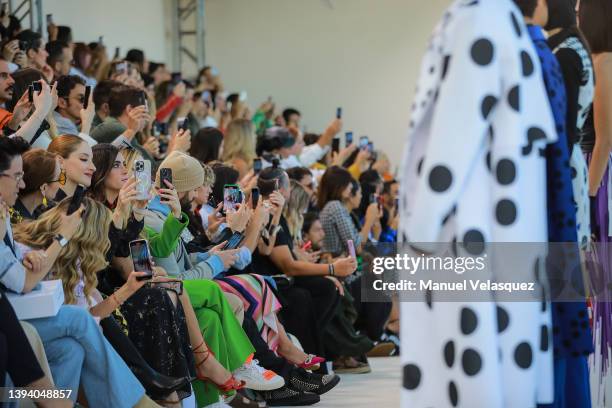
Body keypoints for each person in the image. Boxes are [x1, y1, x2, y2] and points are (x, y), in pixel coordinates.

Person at [0, 136, 161, 408]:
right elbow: (22, 283)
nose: (22, 183)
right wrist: (60, 239)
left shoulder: (5, 215)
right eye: (16, 176)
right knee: (79, 319)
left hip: (23, 315)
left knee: (70, 350)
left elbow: (19, 274)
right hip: (14, 319)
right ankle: (138, 403)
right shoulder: (48, 234)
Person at [579, 0, 612, 405]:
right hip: (599, 172)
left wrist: (586, 195)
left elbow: (603, 140)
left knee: (602, 280)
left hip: (599, 175)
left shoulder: (603, 61)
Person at [319, 166, 382, 256]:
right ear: (339, 186)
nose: (351, 186)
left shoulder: (334, 206)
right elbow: (356, 248)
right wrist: (369, 220)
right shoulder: (335, 207)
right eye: (348, 183)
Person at [89, 84, 154, 160]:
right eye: (144, 112)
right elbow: (146, 164)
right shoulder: (118, 129)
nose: (147, 119)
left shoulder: (114, 125)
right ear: (130, 110)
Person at [13, 148, 63, 221]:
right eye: (58, 179)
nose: (61, 185)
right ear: (44, 188)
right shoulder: (22, 224)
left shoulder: (10, 205)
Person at [47, 134, 96, 200]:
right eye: (84, 159)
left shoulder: (86, 203)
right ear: (60, 161)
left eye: (92, 160)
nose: (93, 168)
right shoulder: (43, 202)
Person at [54, 74, 96, 140]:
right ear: (62, 103)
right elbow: (81, 150)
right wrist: (87, 122)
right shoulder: (64, 124)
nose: (87, 104)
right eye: (82, 99)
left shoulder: (55, 118)